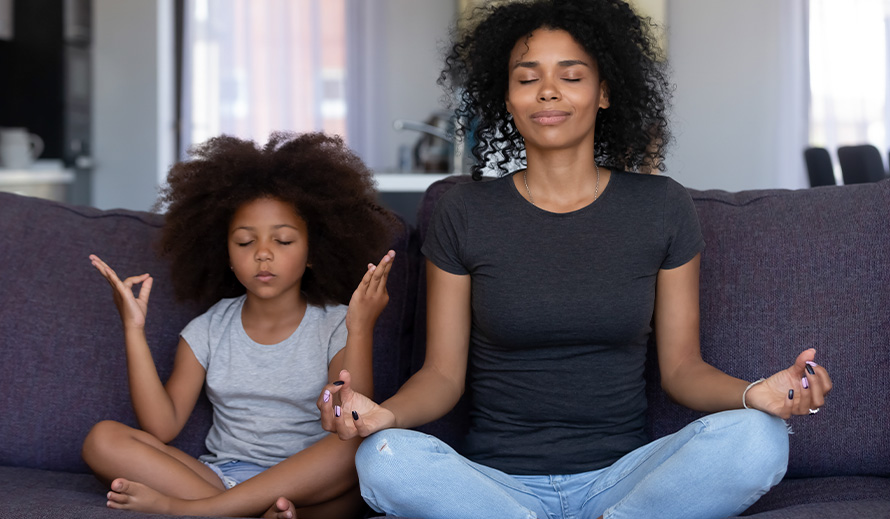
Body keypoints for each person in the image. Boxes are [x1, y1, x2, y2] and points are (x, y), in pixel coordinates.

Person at [317, 2, 833, 519]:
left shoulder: (661, 207)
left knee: (760, 438)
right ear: (508, 97)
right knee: (384, 457)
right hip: (494, 486)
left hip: (624, 479)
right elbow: (441, 376)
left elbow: (682, 370)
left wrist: (755, 394)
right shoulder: (465, 211)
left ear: (604, 91)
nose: (548, 90)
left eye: (571, 75)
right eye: (527, 78)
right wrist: (386, 417)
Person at [81, 131, 397, 519]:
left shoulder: (335, 324)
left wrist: (360, 327)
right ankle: (246, 511)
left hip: (307, 484)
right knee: (102, 440)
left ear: (313, 252)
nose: (263, 254)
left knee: (356, 446)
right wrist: (133, 329)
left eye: (282, 241)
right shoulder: (208, 329)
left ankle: (194, 511)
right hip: (221, 477)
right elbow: (161, 427)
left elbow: (350, 416)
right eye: (245, 243)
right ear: (226, 255)